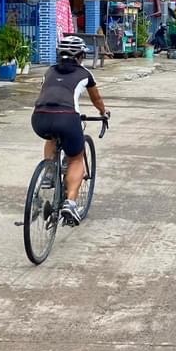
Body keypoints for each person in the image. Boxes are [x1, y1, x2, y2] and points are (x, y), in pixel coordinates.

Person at [30, 36, 109, 226]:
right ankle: (71, 203)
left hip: (39, 118)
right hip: (67, 117)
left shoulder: (49, 71)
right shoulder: (85, 74)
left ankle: (49, 171)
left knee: (51, 136)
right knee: (76, 157)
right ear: (81, 55)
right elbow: (96, 99)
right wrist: (103, 112)